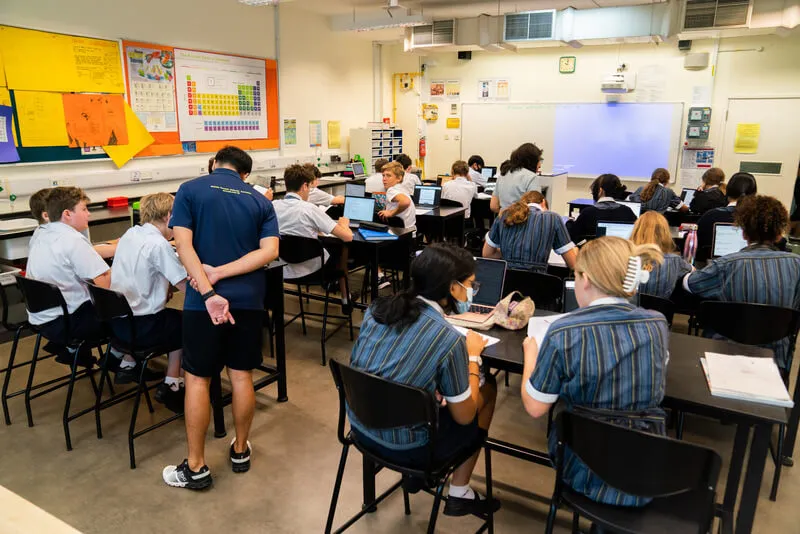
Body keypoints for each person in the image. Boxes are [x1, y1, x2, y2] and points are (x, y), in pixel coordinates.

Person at [349, 243, 500, 516]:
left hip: (361, 429)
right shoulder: (448, 339)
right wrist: (473, 358)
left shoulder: (376, 311)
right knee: (487, 389)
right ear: (452, 287)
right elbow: (465, 416)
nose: (470, 292)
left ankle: (417, 477)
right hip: (411, 447)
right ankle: (460, 491)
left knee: (436, 396)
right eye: (469, 285)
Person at [163, 146, 280, 489]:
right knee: (241, 374)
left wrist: (209, 286)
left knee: (198, 378)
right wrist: (224, 273)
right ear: (245, 174)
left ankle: (196, 467)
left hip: (203, 302)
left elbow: (183, 244)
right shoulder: (261, 201)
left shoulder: (190, 189)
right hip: (249, 299)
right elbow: (270, 251)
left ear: (214, 165)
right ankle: (241, 449)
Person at [521, 236, 667, 507]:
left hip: (582, 467)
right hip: (646, 464)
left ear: (585, 279)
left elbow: (534, 407)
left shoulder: (564, 331)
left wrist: (531, 354)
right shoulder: (657, 323)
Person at [683, 195, 800, 371]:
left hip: (724, 356)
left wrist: (690, 270)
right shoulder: (797, 265)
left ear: (744, 232)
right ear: (779, 234)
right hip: (776, 360)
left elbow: (689, 285)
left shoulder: (725, 265)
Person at [26, 187, 138, 370]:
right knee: (131, 305)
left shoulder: (42, 233)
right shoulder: (72, 240)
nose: (89, 214)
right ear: (67, 214)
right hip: (68, 323)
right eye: (84, 209)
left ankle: (109, 355)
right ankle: (124, 362)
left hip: (43, 319)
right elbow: (106, 287)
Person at [110, 193, 187, 410]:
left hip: (119, 325)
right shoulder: (159, 245)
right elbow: (186, 286)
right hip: (143, 329)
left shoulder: (130, 234)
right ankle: (173, 383)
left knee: (164, 313)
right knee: (185, 321)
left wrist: (163, 287)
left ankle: (128, 362)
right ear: (169, 216)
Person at [272, 164, 354, 309]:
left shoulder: (273, 206)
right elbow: (347, 237)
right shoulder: (309, 209)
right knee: (342, 251)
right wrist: (344, 224)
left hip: (283, 269)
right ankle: (346, 299)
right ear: (304, 186)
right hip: (313, 270)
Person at [483, 191, 577, 272]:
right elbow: (573, 264)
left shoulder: (504, 215)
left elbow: (488, 254)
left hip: (506, 280)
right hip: (536, 282)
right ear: (543, 203)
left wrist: (507, 250)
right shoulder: (553, 218)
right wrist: (575, 249)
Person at [29, 188, 117, 259]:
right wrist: (122, 246)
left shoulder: (41, 233)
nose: (88, 213)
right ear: (46, 215)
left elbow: (86, 249)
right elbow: (90, 252)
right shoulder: (63, 236)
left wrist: (112, 243)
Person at [695, 172, 757, 263]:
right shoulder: (760, 218)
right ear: (753, 194)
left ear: (727, 191)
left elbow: (696, 243)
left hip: (710, 268)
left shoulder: (710, 216)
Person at [630, 211, 693, 299]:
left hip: (626, 310)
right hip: (660, 311)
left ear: (636, 231)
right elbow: (694, 271)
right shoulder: (675, 260)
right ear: (665, 233)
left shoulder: (624, 258)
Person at [567, 174, 637, 245]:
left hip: (593, 254)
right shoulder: (628, 211)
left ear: (600, 191)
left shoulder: (588, 213)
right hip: (622, 253)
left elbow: (572, 237)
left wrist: (570, 223)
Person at [490, 143, 542, 213]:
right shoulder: (532, 178)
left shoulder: (503, 175)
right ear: (532, 161)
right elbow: (535, 210)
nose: (540, 165)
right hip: (523, 222)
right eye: (539, 161)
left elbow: (493, 206)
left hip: (503, 220)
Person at [378, 162, 416, 230]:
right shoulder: (402, 188)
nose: (384, 179)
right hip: (410, 232)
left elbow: (405, 202)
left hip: (399, 233)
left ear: (399, 178)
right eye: (383, 175)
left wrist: (391, 213)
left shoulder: (391, 190)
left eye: (388, 176)